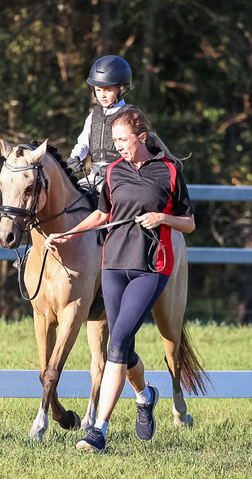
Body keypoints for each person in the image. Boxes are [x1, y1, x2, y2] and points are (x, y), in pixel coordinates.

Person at [45, 105, 196, 453]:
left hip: (151, 267)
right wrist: (68, 235)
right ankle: (145, 397)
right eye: (114, 140)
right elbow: (101, 213)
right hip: (113, 265)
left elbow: (188, 222)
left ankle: (98, 430)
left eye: (123, 140)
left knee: (117, 342)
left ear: (141, 137)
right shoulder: (114, 172)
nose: (118, 146)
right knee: (123, 348)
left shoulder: (169, 171)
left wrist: (162, 217)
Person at [66, 55, 133, 195]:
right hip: (94, 177)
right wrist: (75, 158)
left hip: (121, 178)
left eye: (108, 90)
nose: (102, 95)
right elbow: (83, 143)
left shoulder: (129, 116)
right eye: (98, 90)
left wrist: (113, 168)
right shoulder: (93, 115)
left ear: (121, 89)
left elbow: (133, 152)